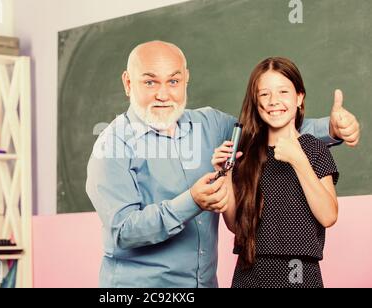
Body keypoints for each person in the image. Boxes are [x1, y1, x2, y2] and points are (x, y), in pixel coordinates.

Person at [86, 41, 360, 288]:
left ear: (186, 79)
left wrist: (332, 129)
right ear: (127, 82)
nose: (163, 94)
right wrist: (191, 201)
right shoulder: (111, 145)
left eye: (173, 81)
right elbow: (123, 231)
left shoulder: (210, 125)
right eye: (150, 82)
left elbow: (270, 129)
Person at [213, 57, 340, 288]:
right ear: (256, 101)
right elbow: (234, 225)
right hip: (249, 272)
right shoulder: (245, 153)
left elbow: (329, 215)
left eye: (283, 91)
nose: (274, 101)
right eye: (264, 94)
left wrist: (299, 160)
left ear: (299, 97)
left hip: (300, 272)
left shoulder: (314, 148)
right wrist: (226, 174)